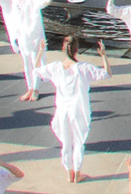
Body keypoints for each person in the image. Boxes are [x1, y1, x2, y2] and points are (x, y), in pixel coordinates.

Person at [34, 36, 111, 182]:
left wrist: (40, 52)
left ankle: (69, 173)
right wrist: (104, 56)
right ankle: (77, 173)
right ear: (77, 50)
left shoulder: (56, 67)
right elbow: (106, 74)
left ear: (63, 49)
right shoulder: (83, 68)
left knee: (66, 143)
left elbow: (36, 70)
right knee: (78, 142)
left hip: (62, 110)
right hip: (78, 109)